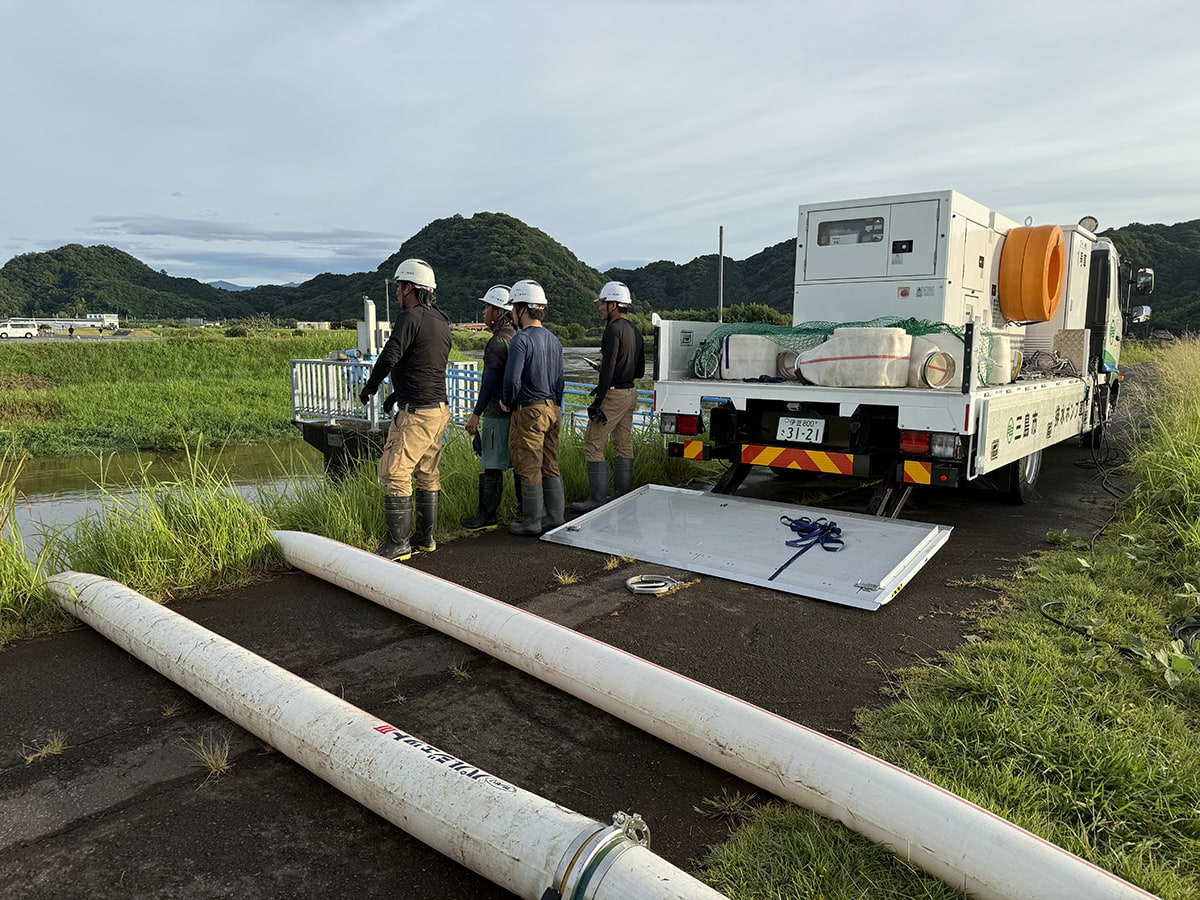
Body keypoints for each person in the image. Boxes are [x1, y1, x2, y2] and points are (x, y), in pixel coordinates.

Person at [358, 258, 452, 561]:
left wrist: (372, 385)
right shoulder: (441, 321)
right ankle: (426, 539)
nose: (398, 293)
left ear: (409, 287)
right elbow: (424, 367)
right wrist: (396, 393)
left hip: (418, 413)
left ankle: (398, 544)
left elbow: (390, 356)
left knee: (395, 471)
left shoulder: (411, 317)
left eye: (399, 287)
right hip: (437, 409)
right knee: (427, 471)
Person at [571, 281, 645, 512]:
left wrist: (598, 400)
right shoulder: (634, 330)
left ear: (613, 304)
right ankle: (622, 495)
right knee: (623, 443)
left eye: (603, 304)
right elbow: (641, 370)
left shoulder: (612, 329)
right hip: (630, 393)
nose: (600, 308)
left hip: (613, 395)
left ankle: (597, 498)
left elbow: (610, 366)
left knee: (593, 443)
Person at [500, 279, 565, 536]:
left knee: (528, 464)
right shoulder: (554, 340)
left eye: (514, 307)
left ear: (523, 309)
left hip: (530, 409)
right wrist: (555, 404)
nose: (512, 313)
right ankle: (556, 516)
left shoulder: (521, 340)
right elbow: (560, 380)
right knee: (550, 462)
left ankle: (532, 521)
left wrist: (508, 400)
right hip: (553, 408)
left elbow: (512, 379)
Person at [461, 284, 518, 530]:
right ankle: (523, 511)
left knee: (491, 463)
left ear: (497, 312)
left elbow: (489, 382)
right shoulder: (516, 336)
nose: (484, 312)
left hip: (496, 411)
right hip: (515, 411)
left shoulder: (497, 342)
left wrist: (475, 414)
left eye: (487, 307)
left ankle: (487, 514)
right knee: (517, 463)